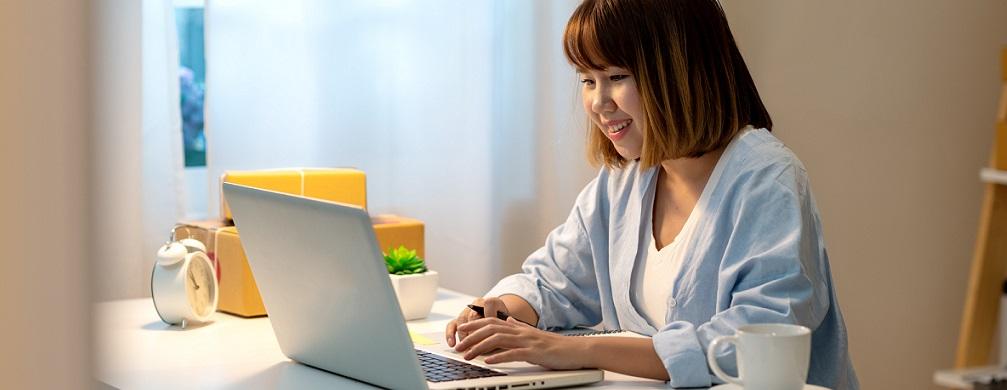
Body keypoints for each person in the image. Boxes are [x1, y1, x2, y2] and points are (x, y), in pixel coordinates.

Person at [444, 0, 859, 388]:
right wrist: (499, 310)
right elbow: (554, 281)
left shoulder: (767, 180)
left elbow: (753, 340)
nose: (598, 103)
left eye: (616, 77)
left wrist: (577, 350)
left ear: (678, 73)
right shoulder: (623, 181)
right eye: (588, 81)